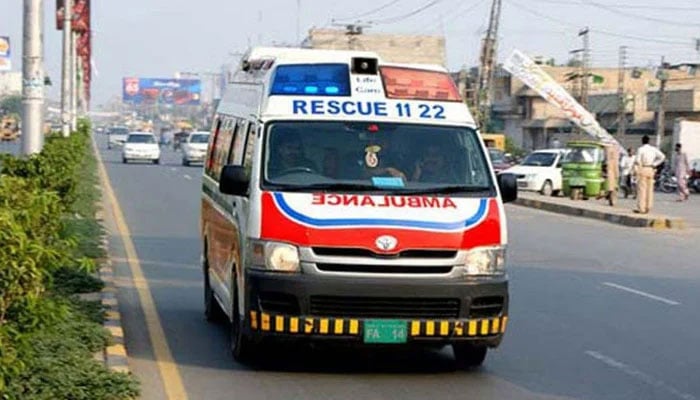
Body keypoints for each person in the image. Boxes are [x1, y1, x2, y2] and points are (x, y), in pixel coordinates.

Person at [634, 135, 666, 214]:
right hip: (651, 169)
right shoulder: (653, 149)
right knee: (650, 189)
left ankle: (641, 208)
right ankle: (648, 206)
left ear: (642, 141)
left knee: (642, 189)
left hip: (643, 168)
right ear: (649, 141)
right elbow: (662, 157)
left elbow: (638, 160)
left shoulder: (640, 149)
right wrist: (655, 164)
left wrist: (637, 170)